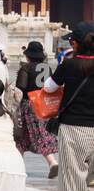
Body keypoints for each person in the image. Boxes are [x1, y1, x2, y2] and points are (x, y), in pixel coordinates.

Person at [43, 21, 94, 191]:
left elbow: (49, 87)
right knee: (92, 183)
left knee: (73, 182)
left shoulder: (69, 64)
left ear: (76, 43)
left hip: (74, 128)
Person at [13, 41, 59, 179]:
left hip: (29, 104)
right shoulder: (47, 67)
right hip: (43, 104)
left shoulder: (26, 68)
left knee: (24, 133)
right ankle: (19, 165)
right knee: (31, 134)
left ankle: (51, 162)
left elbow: (21, 87)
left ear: (28, 55)